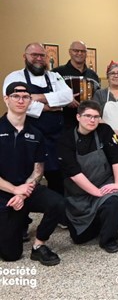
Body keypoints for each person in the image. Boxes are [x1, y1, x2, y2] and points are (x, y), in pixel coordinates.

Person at [0, 82, 65, 266]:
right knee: (11, 254)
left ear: (30, 101)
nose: (21, 100)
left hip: (26, 190)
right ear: (6, 99)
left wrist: (22, 193)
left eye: (25, 97)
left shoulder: (36, 134)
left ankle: (39, 245)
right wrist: (14, 190)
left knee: (58, 202)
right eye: (16, 96)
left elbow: (38, 170)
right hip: (3, 192)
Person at [3, 42, 73, 196]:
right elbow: (17, 104)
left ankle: (57, 211)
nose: (39, 58)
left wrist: (37, 97)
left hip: (55, 138)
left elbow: (67, 96)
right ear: (25, 57)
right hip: (28, 136)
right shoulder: (14, 77)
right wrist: (50, 106)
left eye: (42, 55)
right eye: (34, 55)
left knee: (58, 177)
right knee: (26, 176)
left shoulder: (54, 76)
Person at [57, 100, 118, 253]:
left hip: (104, 185)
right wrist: (96, 192)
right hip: (79, 194)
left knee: (113, 202)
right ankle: (99, 221)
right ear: (78, 117)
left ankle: (109, 240)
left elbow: (116, 158)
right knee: (79, 238)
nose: (92, 120)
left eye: (96, 116)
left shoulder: (105, 131)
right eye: (88, 116)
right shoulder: (66, 139)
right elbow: (74, 173)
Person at [53, 40, 101, 130]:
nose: (79, 53)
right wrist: (66, 100)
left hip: (89, 122)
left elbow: (98, 96)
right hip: (64, 122)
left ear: (86, 53)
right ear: (70, 52)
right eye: (76, 50)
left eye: (83, 51)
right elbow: (51, 96)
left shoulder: (93, 75)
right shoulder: (57, 73)